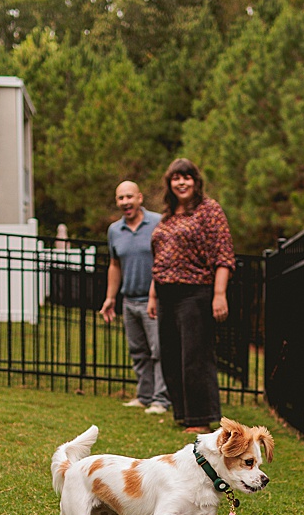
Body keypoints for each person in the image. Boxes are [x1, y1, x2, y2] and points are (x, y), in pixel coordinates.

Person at [147, 158, 235, 433]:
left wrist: (219, 293)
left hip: (194, 292)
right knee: (171, 356)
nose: (181, 182)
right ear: (169, 183)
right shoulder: (168, 216)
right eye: (176, 178)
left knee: (194, 356)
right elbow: (159, 259)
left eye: (186, 177)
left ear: (196, 182)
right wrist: (153, 296)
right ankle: (184, 414)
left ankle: (200, 419)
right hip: (165, 293)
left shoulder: (209, 210)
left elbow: (223, 254)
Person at [100, 180, 171, 415]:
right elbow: (114, 264)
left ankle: (161, 400)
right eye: (121, 198)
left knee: (158, 351)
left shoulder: (158, 222)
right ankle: (144, 396)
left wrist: (154, 295)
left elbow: (163, 262)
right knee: (138, 352)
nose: (125, 202)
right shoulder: (114, 230)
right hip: (128, 301)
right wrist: (110, 298)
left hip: (154, 301)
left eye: (129, 197)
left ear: (140, 198)